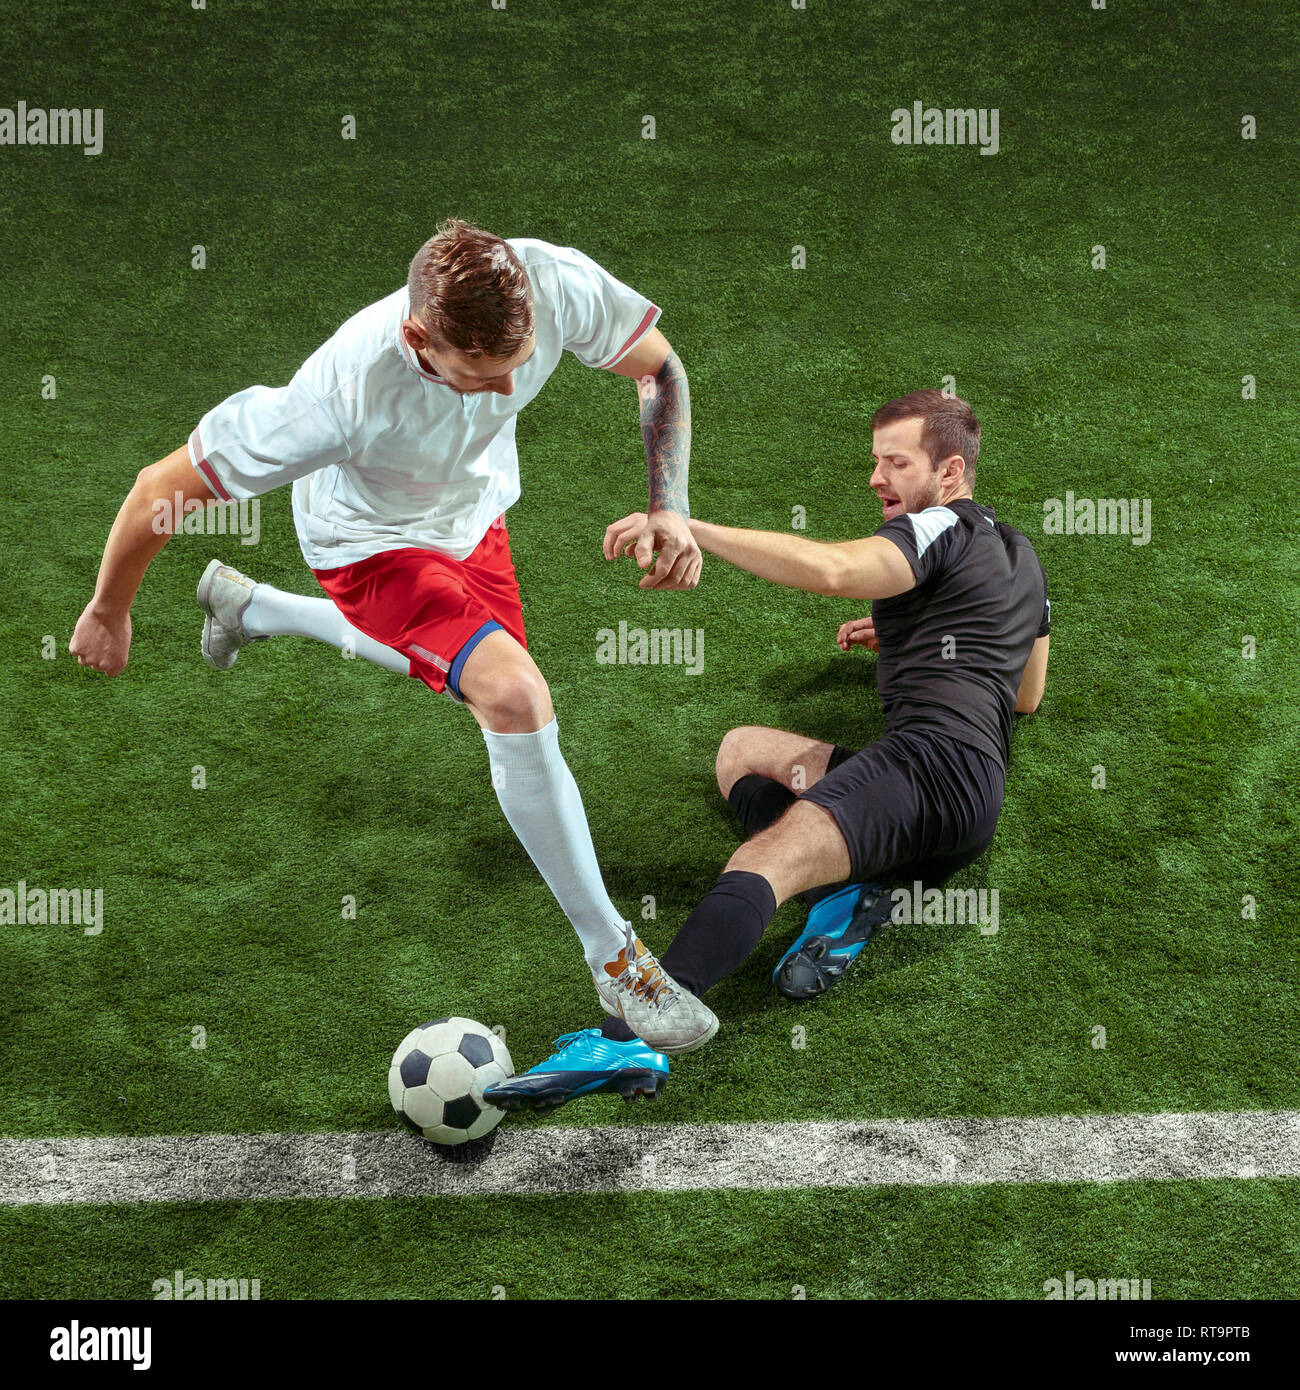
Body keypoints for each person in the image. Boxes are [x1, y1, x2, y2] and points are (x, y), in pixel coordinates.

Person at [69, 217, 718, 1078]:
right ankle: (617, 963)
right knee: (516, 699)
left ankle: (253, 607)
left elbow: (659, 368)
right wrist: (110, 608)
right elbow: (161, 489)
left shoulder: (549, 282)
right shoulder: (341, 395)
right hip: (368, 544)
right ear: (419, 339)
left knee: (490, 693)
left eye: (518, 365)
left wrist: (667, 504)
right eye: (482, 377)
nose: (508, 388)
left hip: (473, 518)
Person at [488, 389, 1049, 1111]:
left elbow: (835, 571)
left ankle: (628, 1038)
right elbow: (1026, 692)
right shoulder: (1022, 554)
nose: (875, 478)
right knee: (742, 752)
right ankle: (854, 893)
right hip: (971, 804)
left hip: (924, 769)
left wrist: (686, 524)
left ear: (948, 474)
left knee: (762, 862)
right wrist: (917, 630)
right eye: (874, 461)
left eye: (894, 462)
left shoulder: (938, 524)